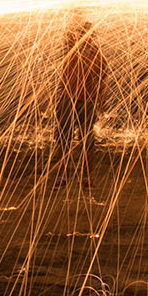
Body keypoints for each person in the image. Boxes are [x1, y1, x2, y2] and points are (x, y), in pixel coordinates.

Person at [56, 14, 106, 187]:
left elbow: (101, 83)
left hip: (85, 102)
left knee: (85, 140)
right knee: (65, 139)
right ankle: (64, 176)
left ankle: (84, 177)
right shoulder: (73, 49)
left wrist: (99, 104)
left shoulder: (97, 57)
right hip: (69, 100)